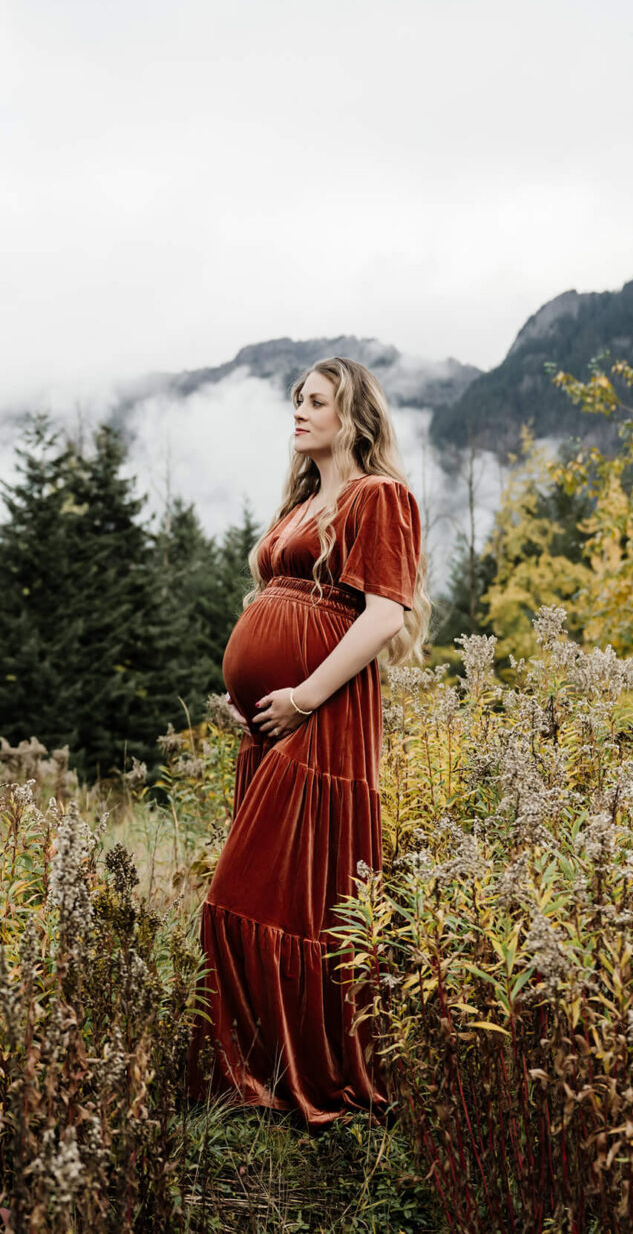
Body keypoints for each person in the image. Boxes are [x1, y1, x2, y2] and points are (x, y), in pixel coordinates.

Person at [191, 355, 429, 1127]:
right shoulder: (299, 505)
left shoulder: (378, 496)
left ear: (351, 415)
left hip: (323, 718)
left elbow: (384, 616)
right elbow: (276, 605)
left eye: (316, 400)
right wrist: (250, 696)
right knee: (270, 893)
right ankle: (258, 1072)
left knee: (250, 896)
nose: (298, 411)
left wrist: (302, 695)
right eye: (296, 398)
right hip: (273, 721)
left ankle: (307, 1074)